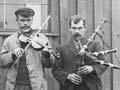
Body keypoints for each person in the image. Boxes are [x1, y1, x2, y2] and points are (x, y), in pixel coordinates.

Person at [0, 7, 53, 90]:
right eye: (22, 20)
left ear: (32, 21)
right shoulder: (9, 40)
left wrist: (47, 56)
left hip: (36, 86)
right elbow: (2, 62)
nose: (25, 23)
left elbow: (49, 64)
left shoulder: (42, 39)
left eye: (28, 20)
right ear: (17, 21)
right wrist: (13, 55)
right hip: (15, 85)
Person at [52, 15, 108, 90]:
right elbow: (56, 69)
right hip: (69, 87)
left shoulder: (95, 44)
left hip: (91, 87)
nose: (77, 31)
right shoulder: (61, 48)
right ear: (69, 28)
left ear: (85, 28)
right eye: (74, 28)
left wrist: (92, 68)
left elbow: (104, 63)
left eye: (80, 28)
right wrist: (68, 76)